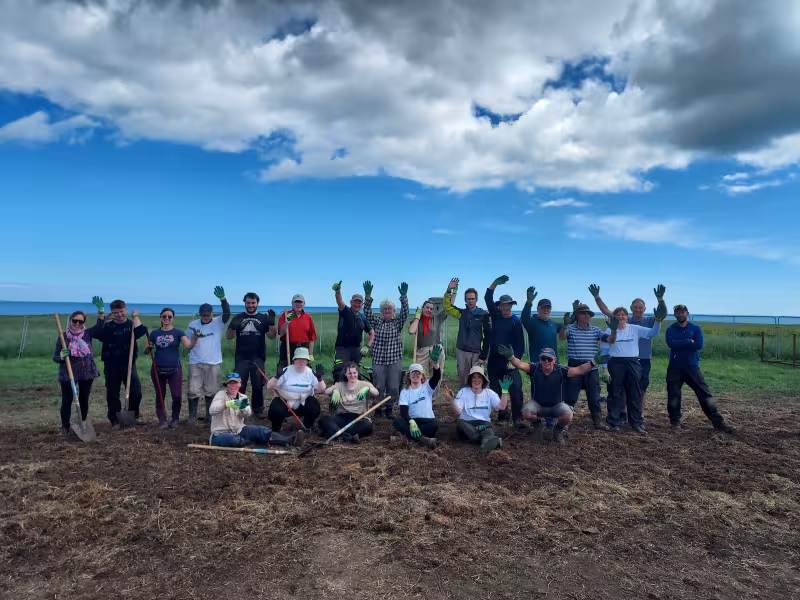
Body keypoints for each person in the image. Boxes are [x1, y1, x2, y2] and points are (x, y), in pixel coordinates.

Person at [499, 345, 605, 445]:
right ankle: (538, 424)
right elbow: (519, 364)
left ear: (554, 360)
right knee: (526, 413)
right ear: (540, 359)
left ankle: (558, 430)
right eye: (544, 358)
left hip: (556, 406)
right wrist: (511, 357)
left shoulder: (561, 370)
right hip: (538, 405)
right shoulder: (534, 368)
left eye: (549, 359)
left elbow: (579, 370)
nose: (546, 361)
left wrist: (593, 362)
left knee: (568, 414)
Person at [589, 284, 667, 409]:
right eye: (635, 307)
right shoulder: (624, 319)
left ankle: (639, 413)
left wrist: (660, 300)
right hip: (621, 361)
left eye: (640, 308)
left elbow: (661, 315)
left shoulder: (649, 320)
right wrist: (597, 297)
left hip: (643, 359)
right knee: (623, 388)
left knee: (640, 388)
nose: (638, 309)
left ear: (644, 308)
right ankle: (623, 413)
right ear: (631, 308)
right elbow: (607, 311)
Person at [666, 305, 735, 434]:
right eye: (677, 312)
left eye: (682, 312)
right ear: (675, 315)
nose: (680, 314)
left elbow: (699, 345)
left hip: (692, 367)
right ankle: (675, 423)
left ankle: (718, 423)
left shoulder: (696, 328)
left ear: (687, 313)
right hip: (674, 367)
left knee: (705, 394)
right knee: (673, 396)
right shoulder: (671, 329)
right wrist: (688, 341)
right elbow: (671, 344)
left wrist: (681, 343)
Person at [603, 307, 663, 433]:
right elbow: (604, 351)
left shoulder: (634, 329)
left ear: (627, 316)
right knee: (615, 392)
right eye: (617, 315)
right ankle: (613, 421)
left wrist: (657, 321)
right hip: (615, 362)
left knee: (635, 392)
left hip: (633, 362)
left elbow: (653, 333)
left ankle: (636, 422)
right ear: (614, 317)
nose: (620, 317)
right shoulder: (609, 330)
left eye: (623, 314)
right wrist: (605, 369)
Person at [92, 298, 148, 429]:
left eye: (122, 311)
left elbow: (141, 331)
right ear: (112, 313)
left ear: (126, 309)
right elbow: (96, 333)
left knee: (136, 392)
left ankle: (133, 416)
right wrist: (101, 315)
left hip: (128, 364)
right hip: (111, 365)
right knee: (113, 393)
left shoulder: (131, 325)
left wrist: (135, 316)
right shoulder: (108, 325)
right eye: (116, 312)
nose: (119, 314)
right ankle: (115, 420)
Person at [209, 373, 305, 448]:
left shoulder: (243, 397)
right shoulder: (220, 395)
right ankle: (245, 440)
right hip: (220, 433)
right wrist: (226, 404)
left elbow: (248, 413)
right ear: (227, 385)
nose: (233, 386)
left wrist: (242, 408)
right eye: (231, 383)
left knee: (262, 431)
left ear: (240, 384)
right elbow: (212, 410)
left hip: (239, 430)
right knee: (233, 440)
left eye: (236, 383)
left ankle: (291, 440)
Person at [146, 307, 200, 429]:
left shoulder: (178, 332)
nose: (167, 319)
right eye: (164, 316)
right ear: (161, 317)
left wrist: (195, 338)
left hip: (174, 369)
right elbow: (146, 349)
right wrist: (148, 348)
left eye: (169, 317)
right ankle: (162, 420)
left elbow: (189, 346)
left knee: (176, 395)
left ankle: (175, 419)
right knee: (160, 395)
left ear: (173, 319)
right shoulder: (154, 333)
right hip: (157, 369)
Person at [558, 303, 609, 430]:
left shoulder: (596, 330)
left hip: (592, 367)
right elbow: (562, 337)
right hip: (574, 366)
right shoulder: (570, 328)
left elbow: (610, 340)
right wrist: (564, 325)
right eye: (583, 313)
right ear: (577, 315)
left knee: (594, 397)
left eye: (588, 314)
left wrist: (613, 330)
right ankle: (564, 423)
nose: (586, 316)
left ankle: (598, 422)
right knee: (571, 396)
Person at [364, 280, 410, 419]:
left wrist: (404, 298)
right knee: (378, 386)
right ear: (382, 311)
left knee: (394, 387)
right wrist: (368, 297)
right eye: (385, 309)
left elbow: (405, 313)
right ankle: (378, 408)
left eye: (390, 309)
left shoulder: (397, 323)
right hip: (378, 360)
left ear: (393, 311)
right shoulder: (377, 322)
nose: (387, 310)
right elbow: (367, 312)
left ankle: (389, 408)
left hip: (394, 360)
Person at [226, 293, 276, 419]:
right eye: (248, 303)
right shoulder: (238, 317)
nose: (251, 305)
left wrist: (271, 324)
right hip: (241, 358)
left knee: (258, 385)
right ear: (245, 303)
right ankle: (241, 408)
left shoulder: (263, 318)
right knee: (239, 385)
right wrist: (232, 327)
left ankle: (258, 410)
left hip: (258, 358)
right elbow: (229, 336)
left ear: (257, 303)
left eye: (253, 303)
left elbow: (272, 336)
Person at [186, 286, 231, 425]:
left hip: (213, 362)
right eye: (203, 314)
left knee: (210, 391)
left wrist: (223, 300)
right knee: (193, 390)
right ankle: (192, 418)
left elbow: (227, 313)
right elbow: (188, 343)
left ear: (212, 313)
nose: (205, 316)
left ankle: (209, 416)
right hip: (195, 362)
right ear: (200, 314)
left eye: (207, 314)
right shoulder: (192, 324)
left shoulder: (218, 323)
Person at [484, 275, 525, 426]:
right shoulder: (496, 316)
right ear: (499, 306)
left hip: (509, 361)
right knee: (495, 389)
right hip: (494, 360)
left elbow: (520, 344)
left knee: (515, 388)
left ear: (511, 306)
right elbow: (488, 298)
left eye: (508, 305)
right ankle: (502, 414)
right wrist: (494, 284)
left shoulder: (516, 322)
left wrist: (515, 360)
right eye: (503, 305)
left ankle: (517, 418)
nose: (505, 307)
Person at [53, 309, 101, 435]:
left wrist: (101, 312)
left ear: (84, 323)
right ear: (71, 320)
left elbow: (99, 327)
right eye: (75, 320)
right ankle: (65, 427)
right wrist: (62, 357)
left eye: (81, 321)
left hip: (86, 372)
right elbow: (56, 358)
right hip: (68, 373)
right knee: (67, 400)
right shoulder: (63, 337)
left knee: (84, 399)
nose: (77, 323)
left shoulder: (87, 334)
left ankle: (83, 424)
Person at [442, 365, 509, 453]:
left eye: (479, 377)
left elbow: (502, 407)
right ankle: (488, 441)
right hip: (467, 423)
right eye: (474, 377)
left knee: (488, 429)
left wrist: (504, 391)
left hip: (484, 423)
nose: (476, 380)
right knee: (462, 424)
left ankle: (486, 443)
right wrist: (451, 400)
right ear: (470, 379)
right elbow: (458, 412)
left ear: (483, 380)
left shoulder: (489, 393)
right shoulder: (463, 392)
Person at [392, 345, 443, 448]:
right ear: (409, 376)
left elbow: (436, 377)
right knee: (397, 421)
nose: (415, 375)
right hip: (412, 421)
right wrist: (411, 421)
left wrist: (436, 364)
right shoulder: (405, 392)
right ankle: (424, 440)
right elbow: (403, 412)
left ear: (422, 376)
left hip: (427, 421)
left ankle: (405, 438)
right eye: (413, 373)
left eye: (418, 373)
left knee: (435, 424)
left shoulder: (427, 386)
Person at [442, 277, 491, 387]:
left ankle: (479, 402)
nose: (470, 301)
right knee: (463, 380)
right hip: (462, 352)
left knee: (477, 380)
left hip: (477, 353)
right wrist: (450, 290)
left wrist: (483, 355)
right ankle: (463, 402)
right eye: (468, 299)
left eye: (472, 298)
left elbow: (488, 337)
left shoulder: (484, 315)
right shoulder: (462, 313)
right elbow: (447, 307)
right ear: (465, 300)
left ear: (476, 299)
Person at [266, 347, 326, 432]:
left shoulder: (310, 373)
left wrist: (319, 379)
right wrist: (277, 376)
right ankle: (277, 427)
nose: (301, 361)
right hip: (285, 402)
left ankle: (307, 426)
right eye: (299, 359)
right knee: (275, 408)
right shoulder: (285, 371)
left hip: (303, 402)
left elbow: (321, 390)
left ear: (307, 361)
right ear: (294, 360)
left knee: (314, 405)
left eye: (304, 359)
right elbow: (269, 387)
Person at [320, 362, 380, 443]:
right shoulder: (340, 385)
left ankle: (340, 434)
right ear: (345, 374)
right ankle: (347, 436)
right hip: (342, 417)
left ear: (358, 373)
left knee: (367, 425)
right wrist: (334, 390)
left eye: (354, 373)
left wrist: (368, 389)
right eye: (349, 373)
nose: (352, 375)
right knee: (324, 420)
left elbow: (376, 393)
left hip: (358, 417)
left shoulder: (364, 384)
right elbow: (326, 392)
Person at [331, 281, 374, 381]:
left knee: (354, 373)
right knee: (340, 371)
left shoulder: (363, 317)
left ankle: (355, 394)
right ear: (351, 302)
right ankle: (338, 392)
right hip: (342, 349)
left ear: (362, 304)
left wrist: (367, 346)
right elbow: (339, 301)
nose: (357, 304)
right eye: (355, 301)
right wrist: (337, 291)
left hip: (356, 350)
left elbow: (371, 332)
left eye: (359, 302)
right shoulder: (345, 311)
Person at [277, 294, 317, 370]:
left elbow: (312, 338)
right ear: (292, 303)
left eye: (300, 302)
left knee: (304, 371)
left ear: (304, 303)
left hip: (303, 348)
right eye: (296, 302)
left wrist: (310, 354)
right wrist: (287, 321)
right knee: (284, 371)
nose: (298, 304)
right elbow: (281, 333)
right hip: (288, 347)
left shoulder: (308, 317)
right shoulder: (285, 315)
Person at [408, 299, 448, 376]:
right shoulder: (416, 320)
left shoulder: (436, 318)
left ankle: (436, 388)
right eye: (427, 307)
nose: (429, 310)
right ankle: (422, 388)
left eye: (431, 309)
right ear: (422, 308)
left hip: (436, 350)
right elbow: (411, 331)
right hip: (422, 352)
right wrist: (417, 317)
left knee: (437, 374)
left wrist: (452, 292)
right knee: (421, 374)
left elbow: (448, 307)